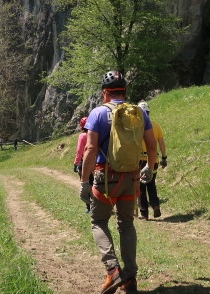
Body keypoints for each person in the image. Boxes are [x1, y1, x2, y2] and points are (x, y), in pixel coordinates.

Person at [80, 71, 157, 294]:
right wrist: (148, 169)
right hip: (130, 178)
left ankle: (113, 271)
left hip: (106, 177)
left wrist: (85, 182)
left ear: (105, 93)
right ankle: (130, 279)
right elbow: (151, 146)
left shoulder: (98, 113)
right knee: (126, 225)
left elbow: (90, 149)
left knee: (99, 221)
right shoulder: (140, 112)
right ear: (124, 91)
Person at [136, 101, 167, 220]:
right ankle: (155, 206)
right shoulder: (155, 125)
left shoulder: (136, 127)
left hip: (139, 160)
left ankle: (144, 214)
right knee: (151, 184)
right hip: (154, 160)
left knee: (141, 186)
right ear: (149, 112)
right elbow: (161, 143)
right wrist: (164, 158)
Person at [73, 117, 93, 212]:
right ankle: (96, 205)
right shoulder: (94, 134)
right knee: (94, 184)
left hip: (84, 162)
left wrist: (76, 163)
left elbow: (79, 151)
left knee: (85, 184)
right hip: (95, 161)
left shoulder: (82, 136)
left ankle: (89, 207)